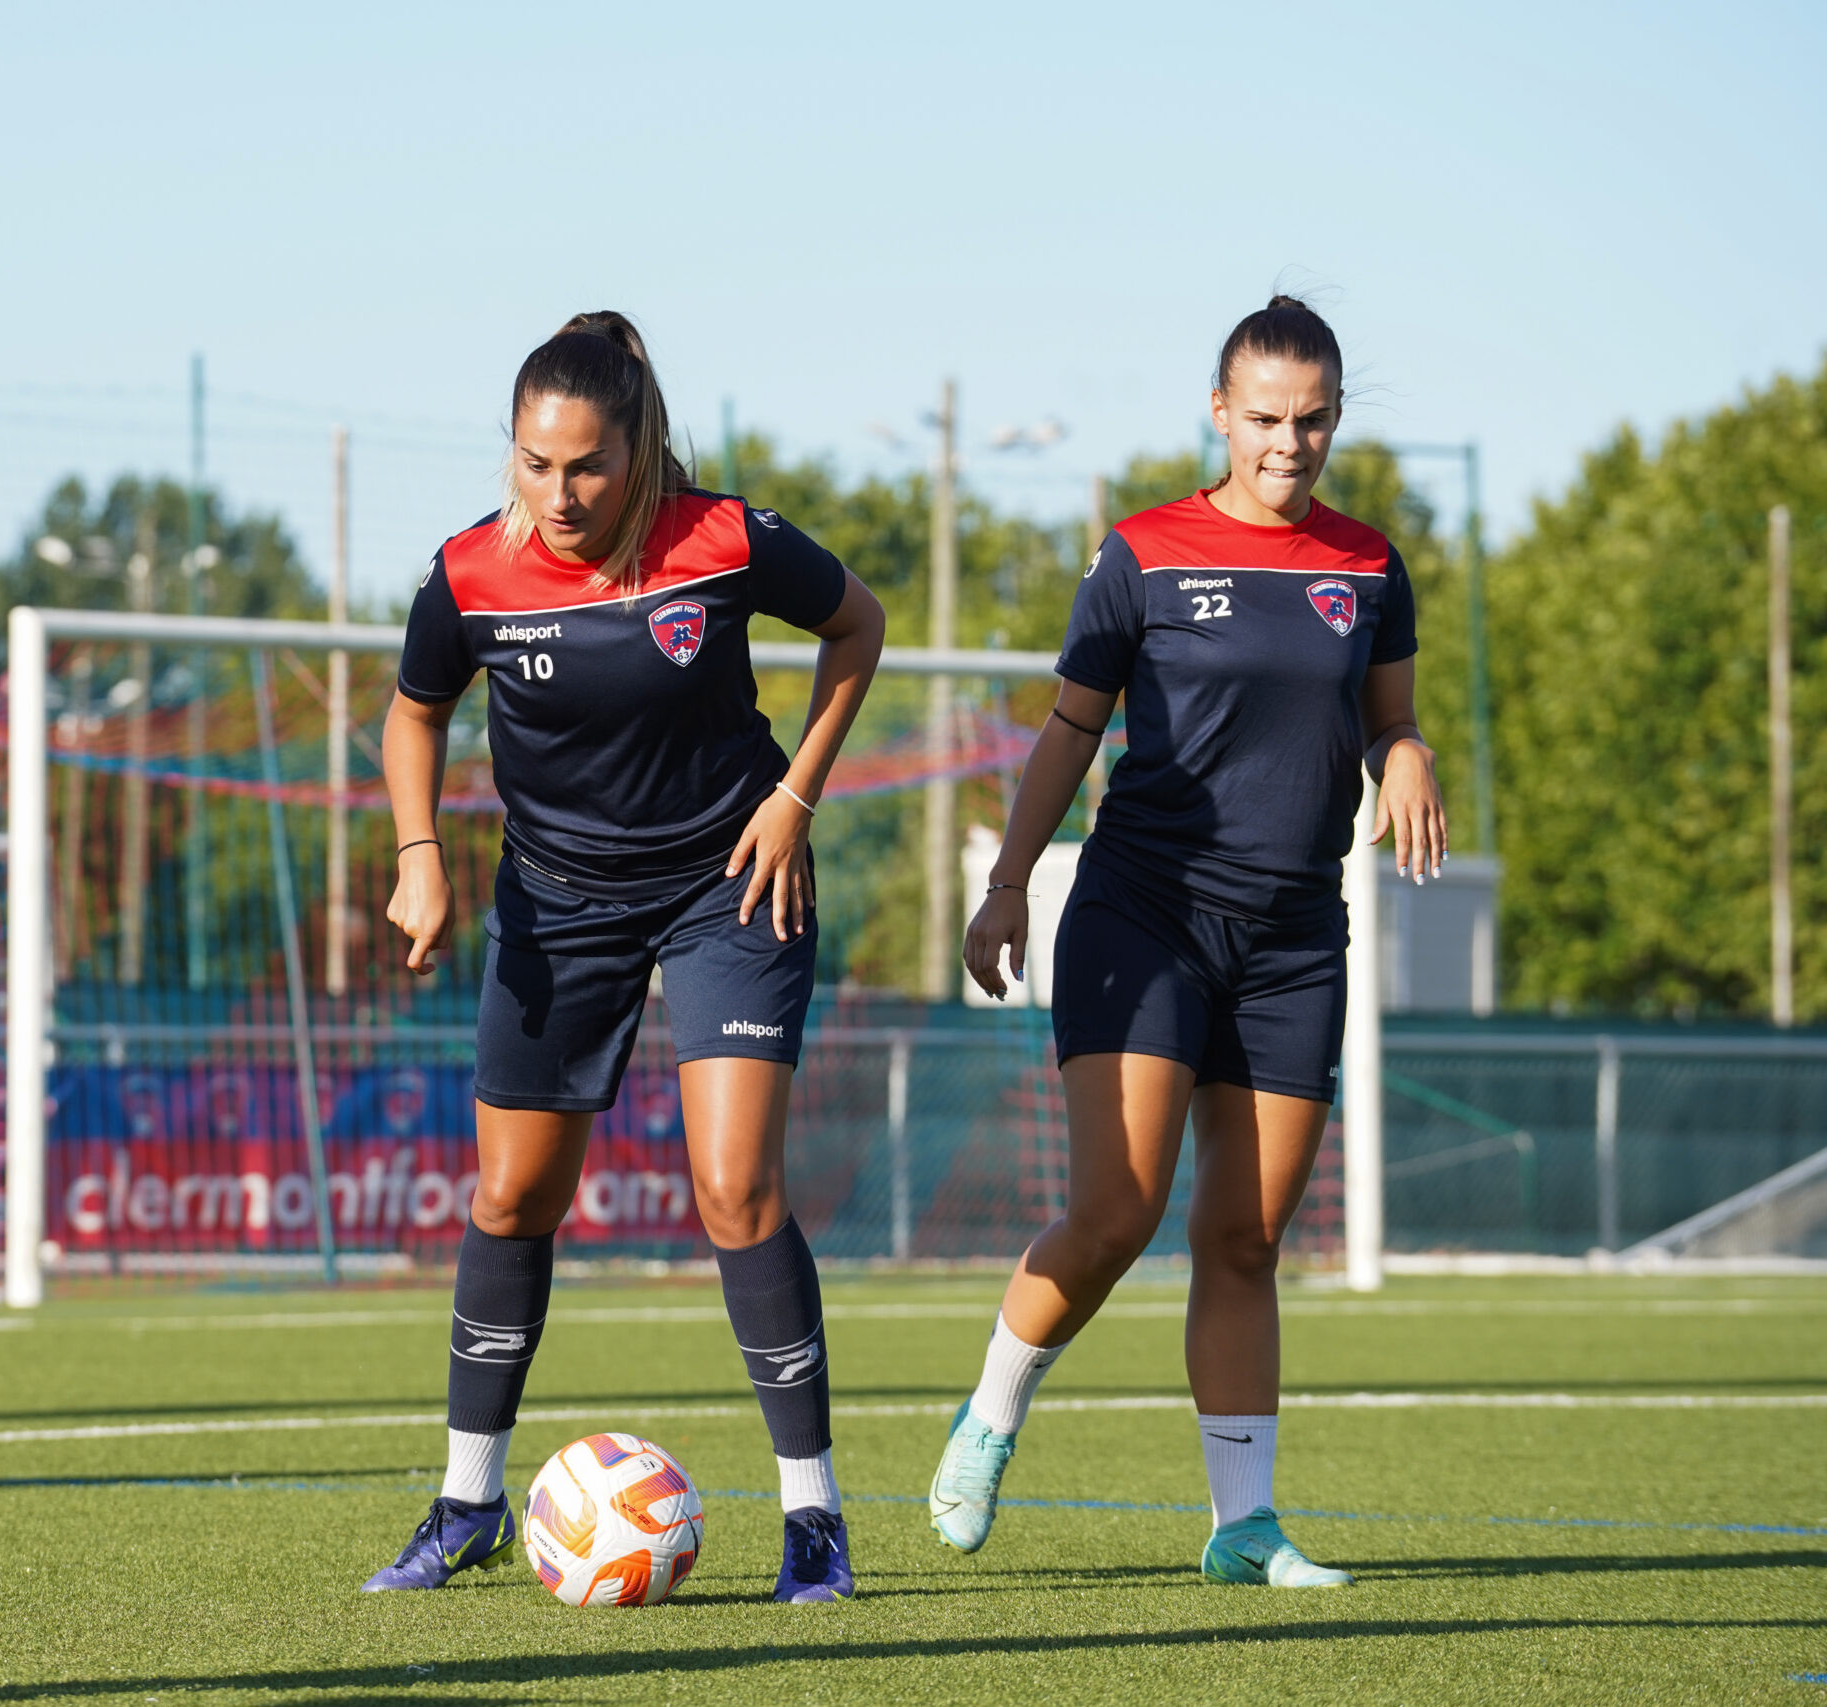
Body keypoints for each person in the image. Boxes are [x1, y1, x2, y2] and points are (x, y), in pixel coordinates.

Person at [367, 311, 885, 1602]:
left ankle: (812, 1522)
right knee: (510, 1201)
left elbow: (857, 627)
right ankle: (466, 1502)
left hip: (731, 884)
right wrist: (418, 854)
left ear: (638, 448)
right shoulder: (469, 574)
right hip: (555, 906)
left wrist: (795, 798)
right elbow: (413, 711)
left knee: (733, 1193)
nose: (558, 493)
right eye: (534, 464)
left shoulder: (725, 540)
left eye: (586, 466)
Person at [930, 295, 1443, 1588]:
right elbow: (1067, 731)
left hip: (1290, 939)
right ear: (1220, 411)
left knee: (1245, 1238)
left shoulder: (1370, 566)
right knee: (1118, 1207)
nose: (1291, 444)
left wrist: (1414, 755)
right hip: (1141, 915)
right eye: (1266, 418)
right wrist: (1004, 885)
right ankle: (990, 1411)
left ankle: (1243, 1526)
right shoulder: (1142, 556)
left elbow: (1389, 724)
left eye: (1314, 418)